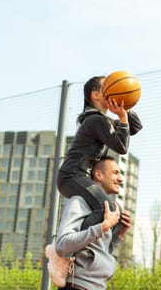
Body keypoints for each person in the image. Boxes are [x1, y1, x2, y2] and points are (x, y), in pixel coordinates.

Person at [57, 75, 142, 222]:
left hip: (78, 176)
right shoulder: (95, 119)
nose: (112, 89)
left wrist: (124, 104)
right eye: (107, 87)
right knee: (107, 209)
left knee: (119, 217)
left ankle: (99, 244)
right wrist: (122, 118)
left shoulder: (101, 120)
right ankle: (74, 243)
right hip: (71, 176)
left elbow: (135, 127)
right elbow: (121, 147)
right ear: (95, 95)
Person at [52, 156, 132, 290]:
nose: (120, 179)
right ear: (99, 175)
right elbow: (62, 245)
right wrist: (103, 227)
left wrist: (119, 235)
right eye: (115, 173)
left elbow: (100, 252)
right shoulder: (79, 202)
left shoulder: (106, 210)